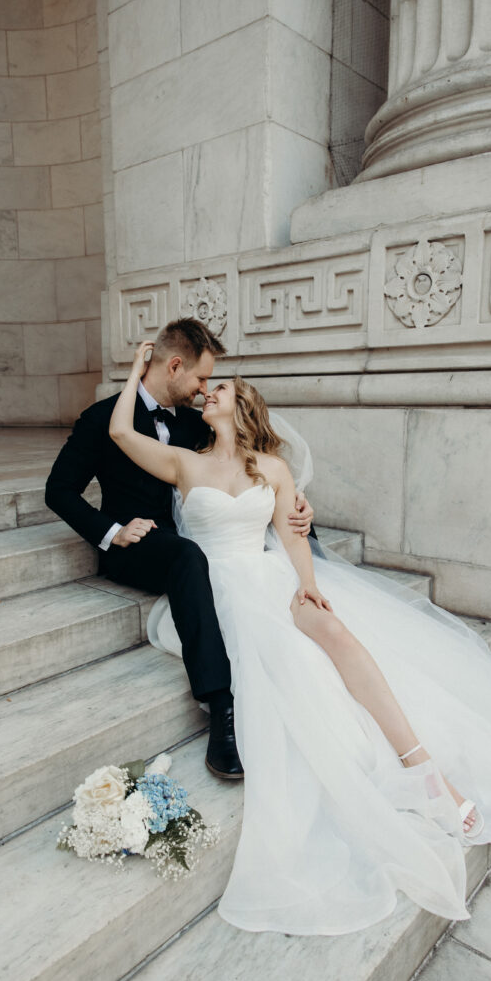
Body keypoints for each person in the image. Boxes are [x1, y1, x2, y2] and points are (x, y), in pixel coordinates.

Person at [109, 338, 491, 935]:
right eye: (209, 386)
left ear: (242, 409)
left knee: (336, 632)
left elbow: (292, 535)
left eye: (222, 389)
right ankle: (415, 774)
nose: (208, 391)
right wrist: (137, 369)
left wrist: (308, 584)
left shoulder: (270, 468)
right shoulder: (185, 463)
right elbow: (119, 432)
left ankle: (427, 771)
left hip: (271, 576)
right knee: (291, 663)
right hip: (217, 593)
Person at [45, 318, 313, 782]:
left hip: (199, 544)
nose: (204, 389)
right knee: (188, 557)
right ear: (174, 366)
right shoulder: (103, 418)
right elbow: (58, 491)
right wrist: (111, 530)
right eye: (201, 378)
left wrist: (300, 510)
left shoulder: (196, 422)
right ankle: (221, 708)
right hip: (141, 547)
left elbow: (247, 474)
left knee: (285, 537)